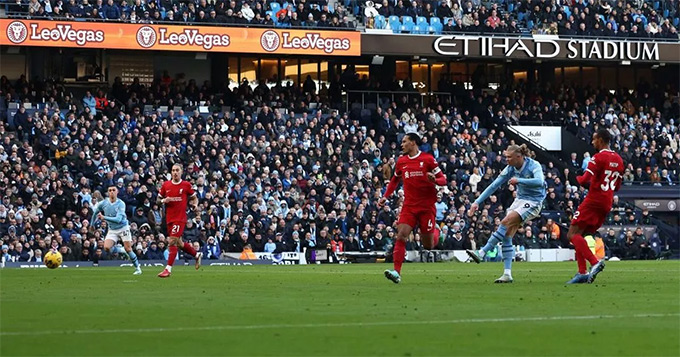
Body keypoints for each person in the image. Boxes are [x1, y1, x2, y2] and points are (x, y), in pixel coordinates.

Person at [466, 144, 546, 283]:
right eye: (506, 157)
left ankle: (482, 252)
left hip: (534, 202)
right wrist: (477, 202)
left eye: (509, 157)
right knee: (507, 235)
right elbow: (494, 185)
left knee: (504, 222)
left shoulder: (534, 165)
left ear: (519, 157)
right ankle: (507, 274)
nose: (506, 159)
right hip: (520, 200)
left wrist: (519, 180)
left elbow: (540, 182)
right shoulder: (510, 168)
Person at [379, 132, 447, 284]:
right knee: (401, 235)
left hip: (426, 207)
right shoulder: (401, 161)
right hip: (409, 206)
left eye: (404, 142)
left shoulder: (428, 159)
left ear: (413, 143)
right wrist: (385, 196)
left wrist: (435, 180)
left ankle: (437, 232)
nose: (401, 145)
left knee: (428, 245)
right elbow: (395, 180)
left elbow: (444, 179)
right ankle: (396, 272)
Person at [566, 129, 623, 284]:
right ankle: (582, 272)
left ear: (601, 140)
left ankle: (594, 262)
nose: (592, 143)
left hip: (594, 200)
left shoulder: (598, 158)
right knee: (581, 235)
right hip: (607, 202)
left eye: (594, 139)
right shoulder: (619, 159)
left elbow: (584, 180)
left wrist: (573, 177)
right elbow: (617, 187)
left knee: (571, 234)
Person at [157, 164, 203, 278]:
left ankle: (168, 269)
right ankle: (196, 255)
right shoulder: (166, 185)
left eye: (177, 170)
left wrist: (195, 205)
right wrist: (163, 200)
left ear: (181, 172)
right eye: (173, 170)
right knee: (179, 243)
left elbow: (194, 197)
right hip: (169, 219)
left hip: (180, 218)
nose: (175, 172)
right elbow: (157, 200)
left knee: (172, 241)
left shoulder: (186, 185)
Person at [91, 184, 142, 275]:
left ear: (117, 192)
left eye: (113, 190)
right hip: (112, 229)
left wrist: (104, 217)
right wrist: (91, 225)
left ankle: (138, 268)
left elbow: (118, 219)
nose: (111, 192)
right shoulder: (103, 203)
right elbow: (95, 213)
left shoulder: (121, 203)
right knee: (106, 247)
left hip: (123, 227)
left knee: (128, 249)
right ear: (108, 192)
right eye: (110, 190)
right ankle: (119, 250)